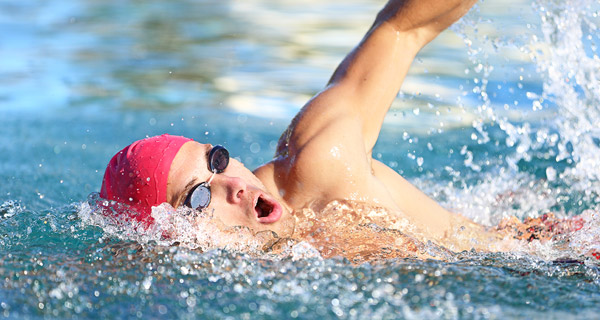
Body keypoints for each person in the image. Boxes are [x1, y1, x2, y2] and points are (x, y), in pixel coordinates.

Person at [98, 0, 582, 260]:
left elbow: (402, 28)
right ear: (166, 241)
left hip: (561, 256)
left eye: (217, 160)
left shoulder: (320, 164)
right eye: (197, 198)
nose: (232, 185)